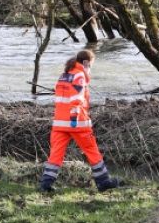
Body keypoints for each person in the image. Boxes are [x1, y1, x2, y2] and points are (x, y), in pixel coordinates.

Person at [39, 49, 121, 193]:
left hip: (59, 122)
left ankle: (46, 184)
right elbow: (76, 98)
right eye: (91, 65)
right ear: (86, 63)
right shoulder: (79, 76)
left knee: (56, 153)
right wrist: (74, 117)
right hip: (77, 123)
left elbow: (60, 98)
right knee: (91, 150)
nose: (90, 69)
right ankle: (103, 182)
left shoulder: (64, 75)